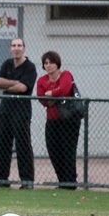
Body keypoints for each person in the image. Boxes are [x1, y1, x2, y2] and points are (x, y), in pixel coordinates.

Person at [0, 38, 37, 189]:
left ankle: (27, 181)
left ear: (24, 48)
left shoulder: (30, 67)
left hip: (21, 111)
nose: (16, 48)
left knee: (23, 146)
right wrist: (14, 83)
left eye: (19, 46)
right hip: (5, 110)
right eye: (14, 46)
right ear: (10, 48)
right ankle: (1, 179)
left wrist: (7, 85)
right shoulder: (7, 64)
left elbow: (23, 89)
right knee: (3, 145)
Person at [36, 51, 81, 190]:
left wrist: (51, 94)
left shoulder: (66, 74)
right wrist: (54, 96)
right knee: (54, 150)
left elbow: (65, 89)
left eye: (51, 63)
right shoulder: (42, 80)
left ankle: (70, 181)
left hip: (69, 120)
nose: (49, 66)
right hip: (52, 120)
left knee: (68, 150)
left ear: (57, 64)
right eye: (46, 63)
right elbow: (42, 99)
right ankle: (62, 180)